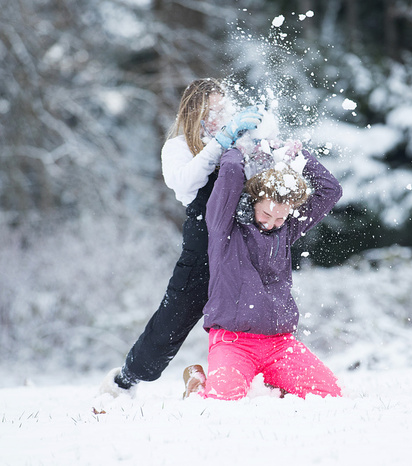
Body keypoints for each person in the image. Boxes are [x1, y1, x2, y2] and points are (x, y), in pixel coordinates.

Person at [100, 78, 263, 396]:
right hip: (202, 243)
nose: (219, 115)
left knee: (252, 309)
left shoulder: (235, 142)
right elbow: (184, 185)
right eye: (211, 109)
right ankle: (125, 381)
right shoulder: (177, 146)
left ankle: (249, 379)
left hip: (238, 236)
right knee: (174, 316)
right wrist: (220, 143)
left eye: (223, 108)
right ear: (195, 111)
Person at [183, 131, 343, 400]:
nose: (271, 223)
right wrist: (240, 147)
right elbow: (231, 170)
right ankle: (197, 383)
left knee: (329, 395)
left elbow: (331, 190)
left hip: (280, 343)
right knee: (223, 402)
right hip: (233, 341)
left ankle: (272, 382)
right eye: (266, 214)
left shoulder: (287, 230)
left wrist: (297, 155)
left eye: (280, 217)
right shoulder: (225, 227)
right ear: (253, 201)